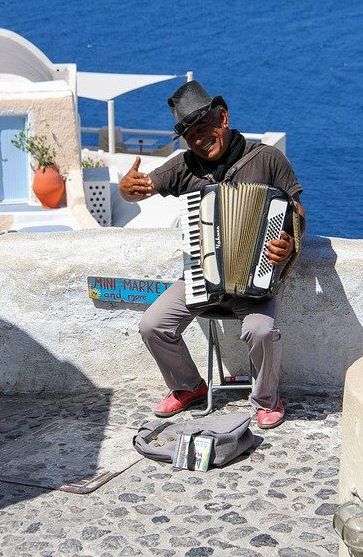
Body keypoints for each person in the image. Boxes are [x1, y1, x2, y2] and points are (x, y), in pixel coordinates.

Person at [119, 80, 306, 428]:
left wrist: (289, 244)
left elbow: (297, 212)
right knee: (152, 325)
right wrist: (125, 189)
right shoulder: (184, 166)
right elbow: (140, 190)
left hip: (255, 282)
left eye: (203, 129)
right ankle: (188, 386)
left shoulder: (268, 159)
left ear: (223, 117)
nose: (198, 141)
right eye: (190, 136)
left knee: (261, 331)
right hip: (201, 281)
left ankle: (267, 399)